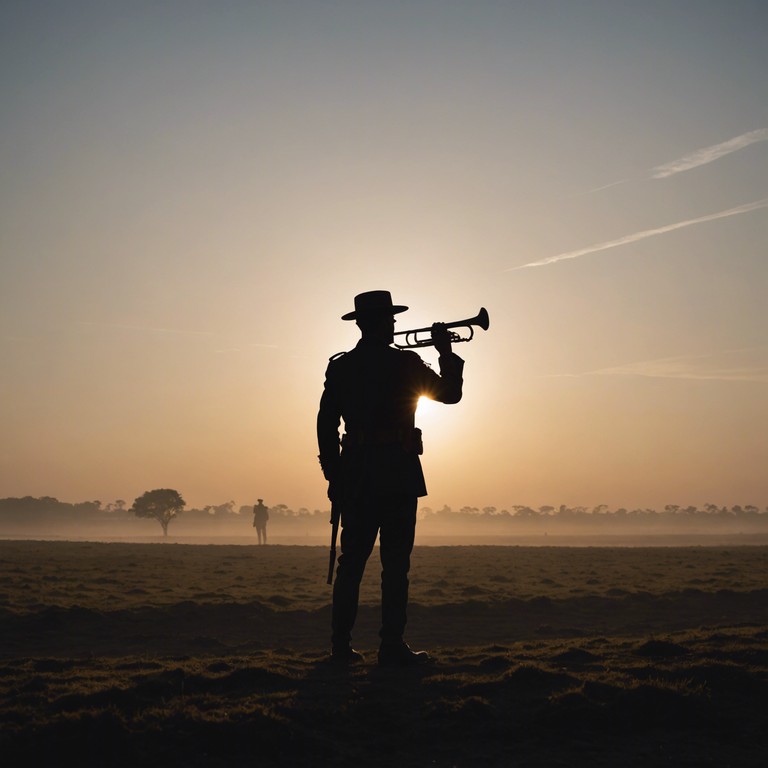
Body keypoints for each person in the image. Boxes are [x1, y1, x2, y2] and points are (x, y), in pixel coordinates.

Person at [317, 290, 464, 665]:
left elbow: (325, 424)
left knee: (351, 564)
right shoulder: (406, 363)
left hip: (357, 476)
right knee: (396, 566)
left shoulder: (341, 367)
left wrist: (334, 474)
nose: (396, 325)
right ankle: (392, 646)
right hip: (397, 473)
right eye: (391, 319)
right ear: (381, 322)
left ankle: (340, 647)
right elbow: (450, 395)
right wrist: (445, 352)